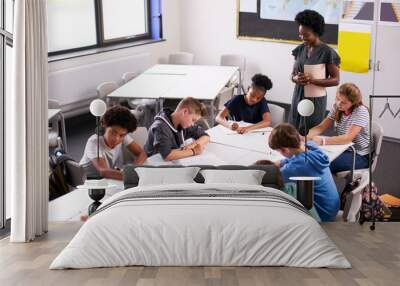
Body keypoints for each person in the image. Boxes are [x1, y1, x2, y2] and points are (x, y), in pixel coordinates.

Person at [268, 123, 339, 221]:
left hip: (321, 215)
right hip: (330, 207)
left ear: (284, 150)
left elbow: (271, 177)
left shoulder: (295, 168)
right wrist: (281, 162)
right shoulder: (312, 148)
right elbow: (293, 159)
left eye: (279, 151)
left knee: (276, 196)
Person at [289, 9, 340, 135]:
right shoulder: (300, 49)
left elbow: (336, 80)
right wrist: (295, 79)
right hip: (298, 96)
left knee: (310, 134)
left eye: (306, 35)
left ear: (316, 32)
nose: (302, 38)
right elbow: (292, 74)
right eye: (300, 34)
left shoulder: (327, 52)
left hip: (315, 99)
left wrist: (312, 80)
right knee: (293, 131)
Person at [307, 83, 370, 174]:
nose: (339, 103)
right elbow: (321, 127)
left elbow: (348, 138)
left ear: (353, 103)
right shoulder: (337, 107)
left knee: (321, 164)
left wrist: (322, 141)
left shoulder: (361, 111)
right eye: (337, 99)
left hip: (359, 155)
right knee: (311, 157)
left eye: (344, 102)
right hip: (342, 148)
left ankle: (323, 187)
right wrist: (305, 136)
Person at [80, 105, 147, 180]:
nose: (116, 139)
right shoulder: (94, 142)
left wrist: (133, 169)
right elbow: (103, 171)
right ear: (104, 125)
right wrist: (131, 175)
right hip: (87, 181)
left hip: (105, 180)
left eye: (122, 135)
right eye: (113, 133)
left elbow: (142, 153)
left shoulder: (123, 137)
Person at [144, 97, 210, 161]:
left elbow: (206, 136)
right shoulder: (160, 127)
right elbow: (167, 155)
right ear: (185, 112)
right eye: (193, 120)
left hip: (171, 163)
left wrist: (193, 145)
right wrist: (193, 151)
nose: (193, 124)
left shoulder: (184, 124)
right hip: (154, 164)